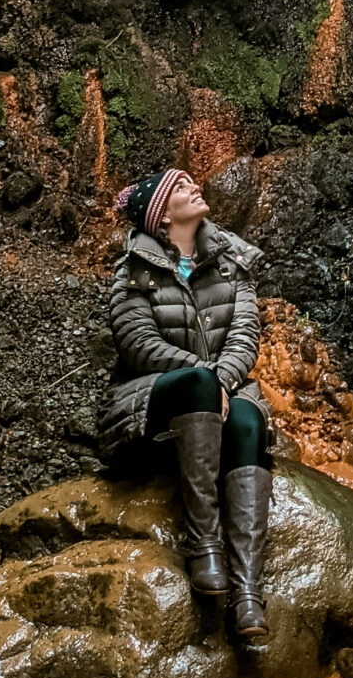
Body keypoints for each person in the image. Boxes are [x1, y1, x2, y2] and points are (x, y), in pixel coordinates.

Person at [97, 166, 273, 646]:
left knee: (247, 418)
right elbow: (137, 342)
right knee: (196, 381)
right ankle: (204, 549)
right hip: (151, 410)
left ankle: (248, 595)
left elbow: (245, 335)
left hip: (222, 398)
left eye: (192, 182)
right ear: (160, 213)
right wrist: (205, 375)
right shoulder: (134, 269)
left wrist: (223, 380)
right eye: (180, 186)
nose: (195, 187)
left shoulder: (234, 261)